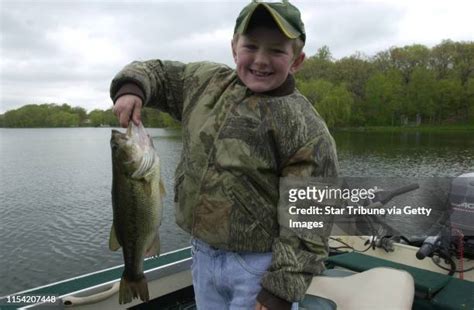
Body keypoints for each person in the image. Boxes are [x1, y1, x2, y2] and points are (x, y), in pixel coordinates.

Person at [110, 1, 339, 309]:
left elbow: (310, 220)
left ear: (296, 61)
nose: (260, 59)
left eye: (276, 50)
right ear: (234, 49)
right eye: (251, 46)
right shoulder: (204, 83)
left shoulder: (305, 128)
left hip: (259, 266)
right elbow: (159, 73)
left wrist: (280, 291)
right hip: (202, 255)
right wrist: (132, 88)